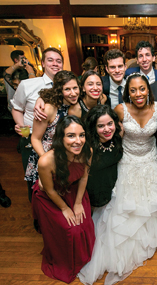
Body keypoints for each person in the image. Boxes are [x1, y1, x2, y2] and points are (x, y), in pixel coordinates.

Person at [78, 73, 157, 285]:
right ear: (127, 92)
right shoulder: (120, 109)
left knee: (155, 202)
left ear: (148, 89)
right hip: (127, 160)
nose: (138, 93)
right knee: (125, 206)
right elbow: (106, 129)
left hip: (150, 160)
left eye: (142, 88)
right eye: (133, 90)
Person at [32, 115, 95, 283]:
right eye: (71, 136)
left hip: (74, 191)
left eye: (81, 135)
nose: (78, 141)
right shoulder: (46, 161)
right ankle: (64, 261)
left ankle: (82, 259)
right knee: (71, 230)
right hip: (51, 198)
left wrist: (77, 203)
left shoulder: (87, 151)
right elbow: (50, 191)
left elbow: (83, 178)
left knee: (84, 224)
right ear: (60, 138)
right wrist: (65, 208)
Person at [11, 47, 63, 200]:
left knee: (57, 182)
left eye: (58, 61)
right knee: (35, 184)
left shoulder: (66, 86)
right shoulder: (27, 85)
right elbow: (17, 109)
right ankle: (39, 219)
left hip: (58, 144)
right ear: (43, 64)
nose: (55, 64)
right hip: (32, 141)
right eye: (50, 60)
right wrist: (21, 126)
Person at [24, 71, 79, 200]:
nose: (73, 93)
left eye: (75, 88)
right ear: (59, 91)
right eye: (67, 89)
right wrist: (47, 161)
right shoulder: (48, 109)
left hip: (65, 158)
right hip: (45, 156)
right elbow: (35, 138)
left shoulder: (74, 105)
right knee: (45, 199)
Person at [83, 105, 123, 208]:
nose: (107, 129)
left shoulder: (118, 136)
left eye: (110, 124)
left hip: (114, 194)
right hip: (93, 198)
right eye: (101, 126)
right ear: (93, 127)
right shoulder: (89, 147)